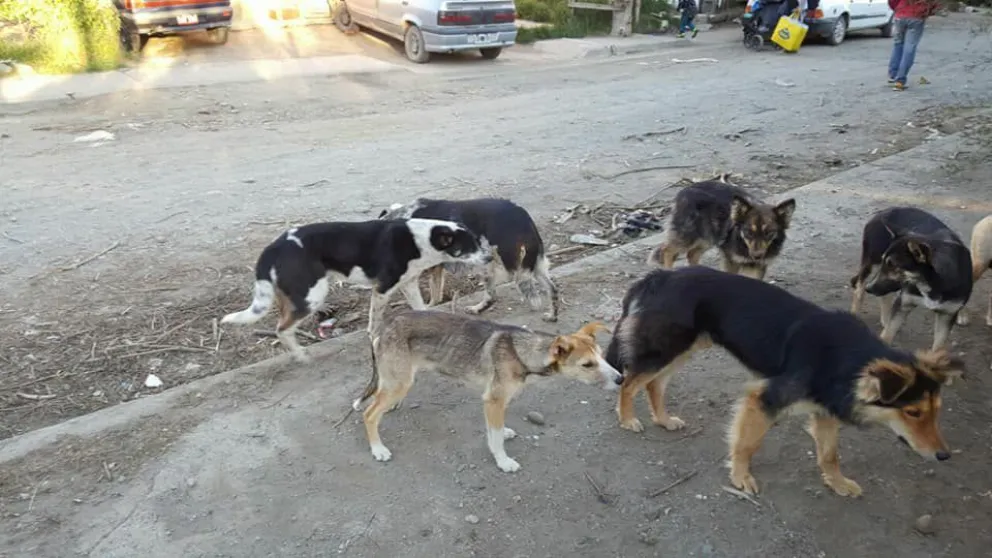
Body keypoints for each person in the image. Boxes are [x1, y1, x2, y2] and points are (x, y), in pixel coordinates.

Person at [887, 0, 941, 91]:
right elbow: (934, 3)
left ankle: (893, 74)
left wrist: (897, 9)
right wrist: (927, 12)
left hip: (900, 15)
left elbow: (892, 1)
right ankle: (900, 80)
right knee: (909, 48)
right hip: (916, 17)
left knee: (898, 45)